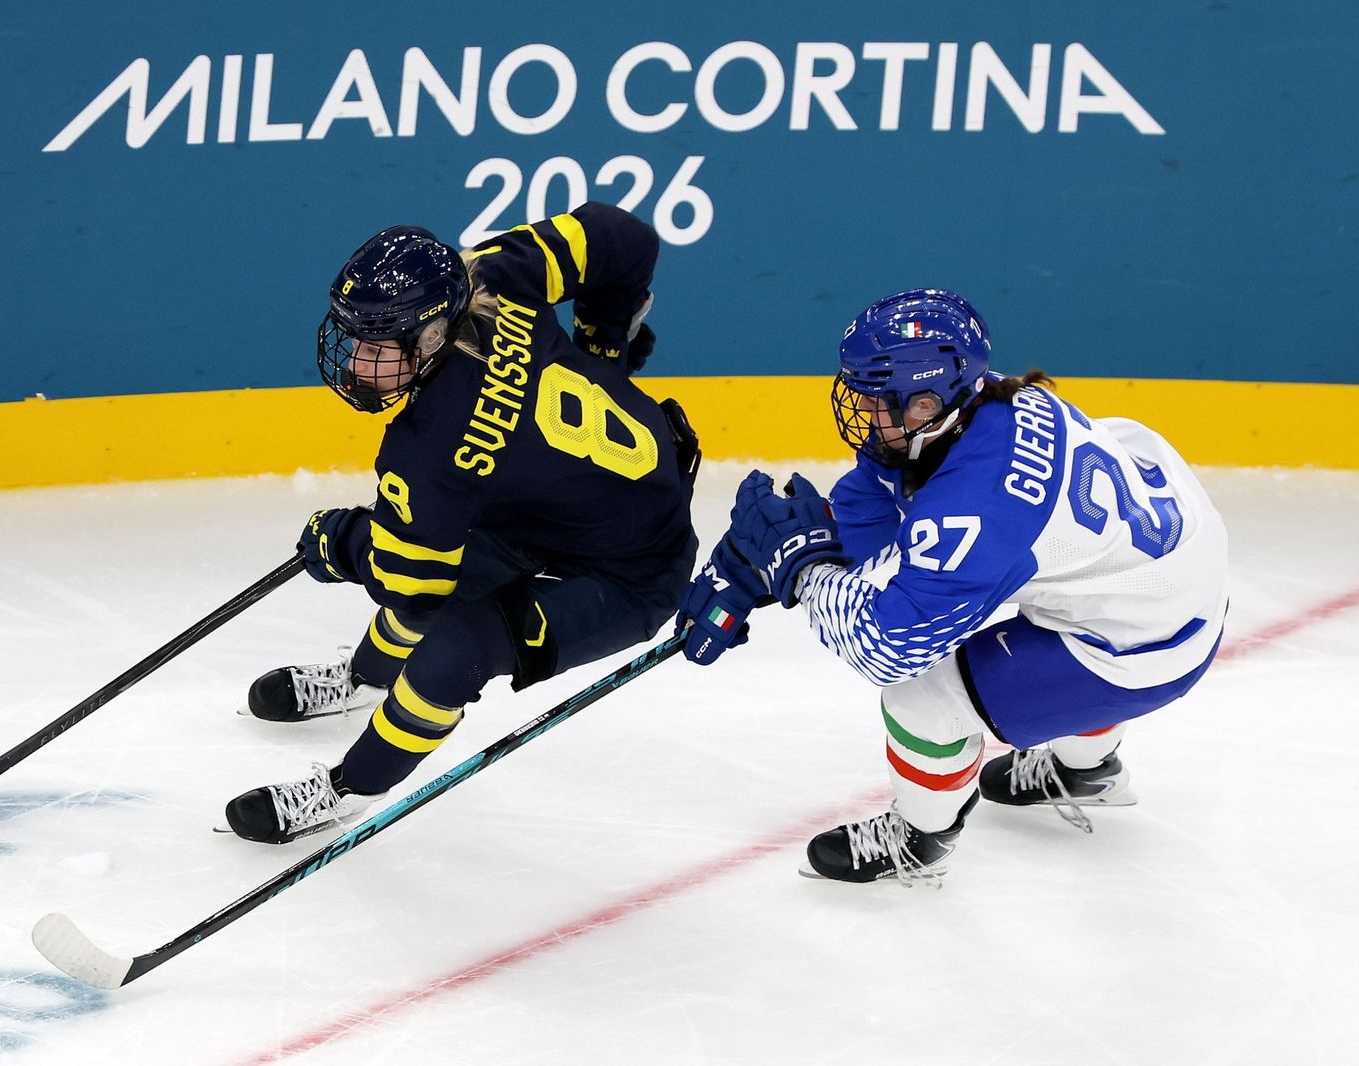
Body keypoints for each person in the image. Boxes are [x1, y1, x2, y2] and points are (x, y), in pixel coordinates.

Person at [678, 288, 1227, 884]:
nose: (863, 410)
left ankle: (921, 838)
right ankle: (1086, 768)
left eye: (877, 398)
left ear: (925, 401)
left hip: (1149, 640)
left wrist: (805, 573)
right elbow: (876, 508)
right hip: (1170, 569)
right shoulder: (977, 408)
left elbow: (888, 647)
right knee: (1067, 610)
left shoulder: (980, 507)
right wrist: (757, 563)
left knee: (923, 702)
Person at [224, 203, 700, 844]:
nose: (360, 366)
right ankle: (364, 679)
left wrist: (344, 544)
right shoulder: (499, 274)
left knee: (453, 650)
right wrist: (604, 342)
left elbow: (410, 585)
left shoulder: (431, 452)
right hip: (576, 502)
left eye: (378, 346)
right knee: (455, 561)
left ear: (429, 334)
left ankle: (350, 789)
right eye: (356, 338)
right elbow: (625, 238)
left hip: (633, 572)